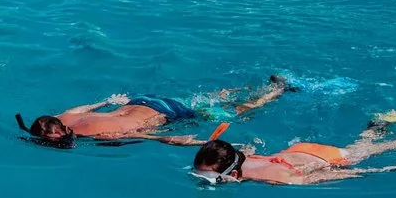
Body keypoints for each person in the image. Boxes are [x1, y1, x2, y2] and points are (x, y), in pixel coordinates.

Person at [18, 75, 290, 148]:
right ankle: (247, 86)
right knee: (208, 101)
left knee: (234, 112)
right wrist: (106, 101)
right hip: (139, 100)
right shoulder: (64, 116)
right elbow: (88, 106)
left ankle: (274, 93)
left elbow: (147, 136)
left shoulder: (102, 136)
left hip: (166, 112)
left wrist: (178, 141)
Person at [191, 122, 396, 186]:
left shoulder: (270, 178)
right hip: (299, 149)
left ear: (233, 174)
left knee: (372, 148)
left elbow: (317, 178)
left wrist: (375, 171)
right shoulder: (241, 157)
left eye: (211, 179)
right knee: (365, 141)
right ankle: (375, 128)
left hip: (328, 157)